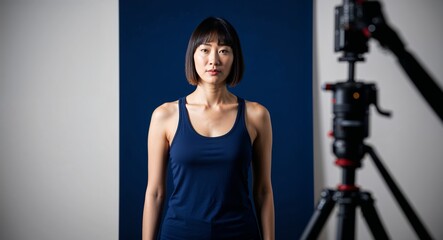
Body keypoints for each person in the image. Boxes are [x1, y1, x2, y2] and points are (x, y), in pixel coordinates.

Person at [142, 17, 274, 240]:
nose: (214, 60)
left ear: (234, 58)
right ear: (192, 56)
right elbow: (155, 193)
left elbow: (263, 191)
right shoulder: (165, 115)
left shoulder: (257, 115)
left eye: (223, 51)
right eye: (205, 50)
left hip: (240, 233)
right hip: (179, 233)